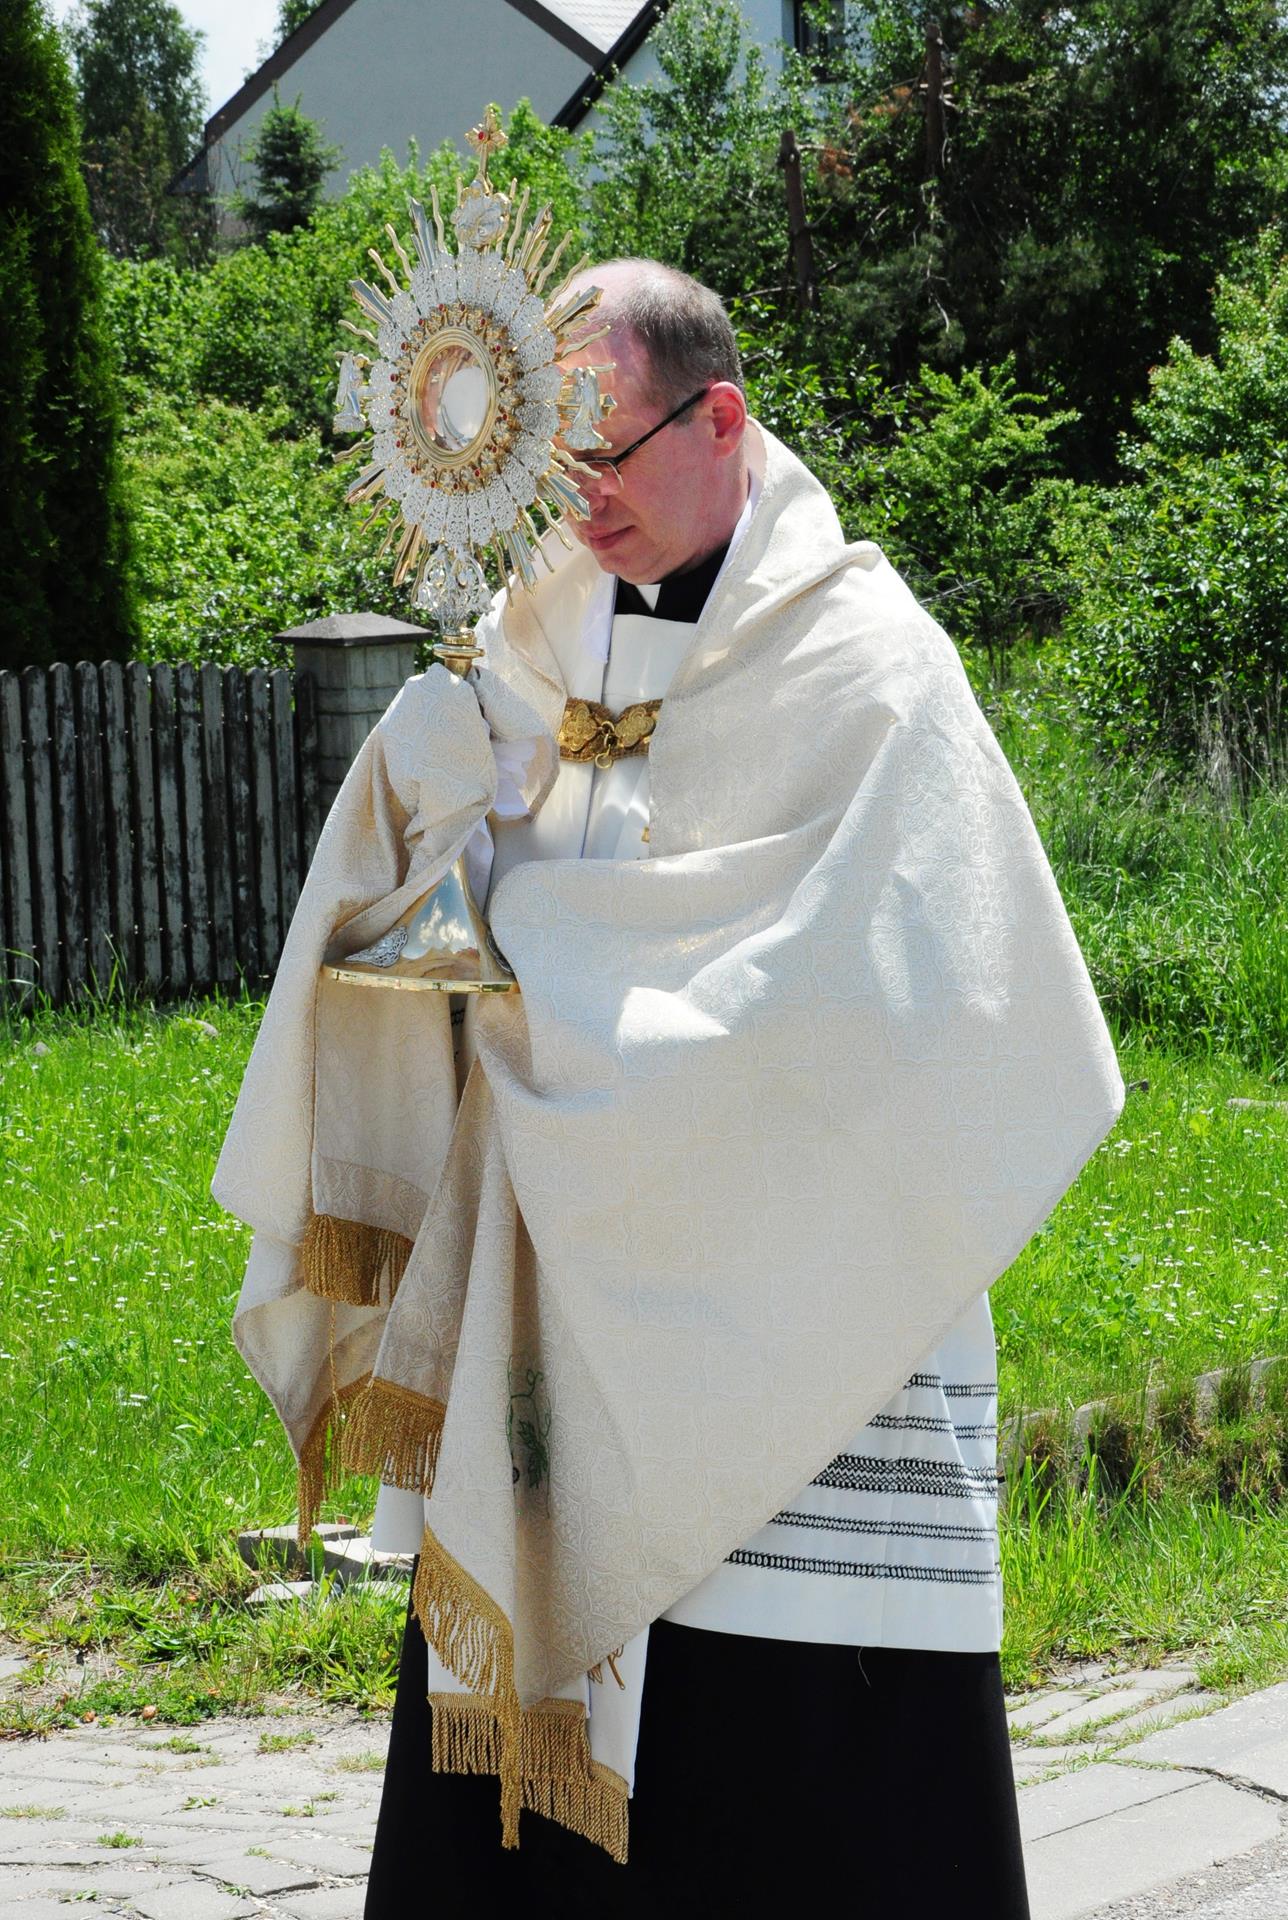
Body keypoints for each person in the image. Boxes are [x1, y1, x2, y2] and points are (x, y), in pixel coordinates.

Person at [212, 259, 1123, 1917]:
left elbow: (911, 988)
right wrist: (419, 791)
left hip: (803, 1292)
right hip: (564, 1291)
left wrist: (593, 1029)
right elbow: (436, 924)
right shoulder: (529, 643)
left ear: (721, 419)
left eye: (607, 452)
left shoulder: (871, 665)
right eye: (550, 461)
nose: (582, 498)